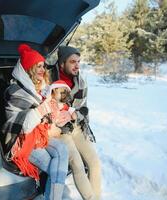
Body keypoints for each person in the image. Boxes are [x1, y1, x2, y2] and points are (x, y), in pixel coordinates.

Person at [1, 44, 69, 200]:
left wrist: (58, 118)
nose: (42, 70)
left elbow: (47, 116)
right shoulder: (14, 92)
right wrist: (42, 110)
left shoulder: (39, 90)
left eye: (43, 66)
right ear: (29, 68)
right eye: (38, 66)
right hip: (23, 141)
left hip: (39, 136)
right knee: (55, 169)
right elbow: (22, 127)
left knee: (62, 150)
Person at [51, 46, 102, 200]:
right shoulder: (50, 80)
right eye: (73, 61)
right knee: (78, 165)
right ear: (62, 63)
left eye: (79, 61)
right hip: (59, 131)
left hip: (76, 127)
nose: (77, 66)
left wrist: (74, 115)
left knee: (94, 163)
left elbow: (84, 109)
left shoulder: (81, 82)